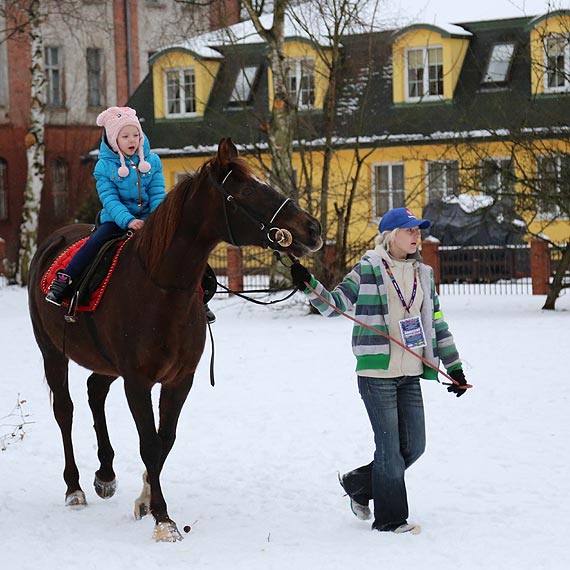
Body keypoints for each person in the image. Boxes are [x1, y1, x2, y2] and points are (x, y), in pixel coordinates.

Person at [290, 207, 469, 535]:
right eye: (410, 230)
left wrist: (454, 367)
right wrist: (308, 285)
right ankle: (390, 520)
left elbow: (437, 323)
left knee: (414, 446)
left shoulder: (424, 275)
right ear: (390, 235)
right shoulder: (370, 267)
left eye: (418, 230)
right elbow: (336, 305)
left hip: (411, 371)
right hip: (377, 375)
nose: (417, 235)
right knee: (388, 449)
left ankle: (358, 483)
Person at [45, 105, 216, 323]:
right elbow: (109, 199)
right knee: (96, 241)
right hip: (117, 219)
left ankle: (200, 296)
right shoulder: (104, 167)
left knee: (182, 245)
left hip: (150, 219)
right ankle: (66, 279)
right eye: (125, 136)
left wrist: (157, 221)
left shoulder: (152, 162)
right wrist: (128, 220)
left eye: (136, 134)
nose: (132, 140)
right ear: (114, 140)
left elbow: (157, 194)